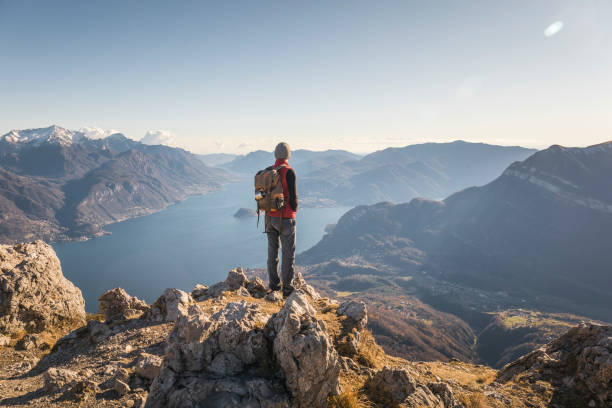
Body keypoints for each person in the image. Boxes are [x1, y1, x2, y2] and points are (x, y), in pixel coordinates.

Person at [266, 142, 298, 297]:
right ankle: (287, 288)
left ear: (275, 155)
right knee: (288, 254)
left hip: (270, 218)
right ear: (288, 155)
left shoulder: (268, 171)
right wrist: (294, 211)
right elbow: (293, 199)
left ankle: (273, 285)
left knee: (272, 253)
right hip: (285, 219)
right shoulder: (288, 172)